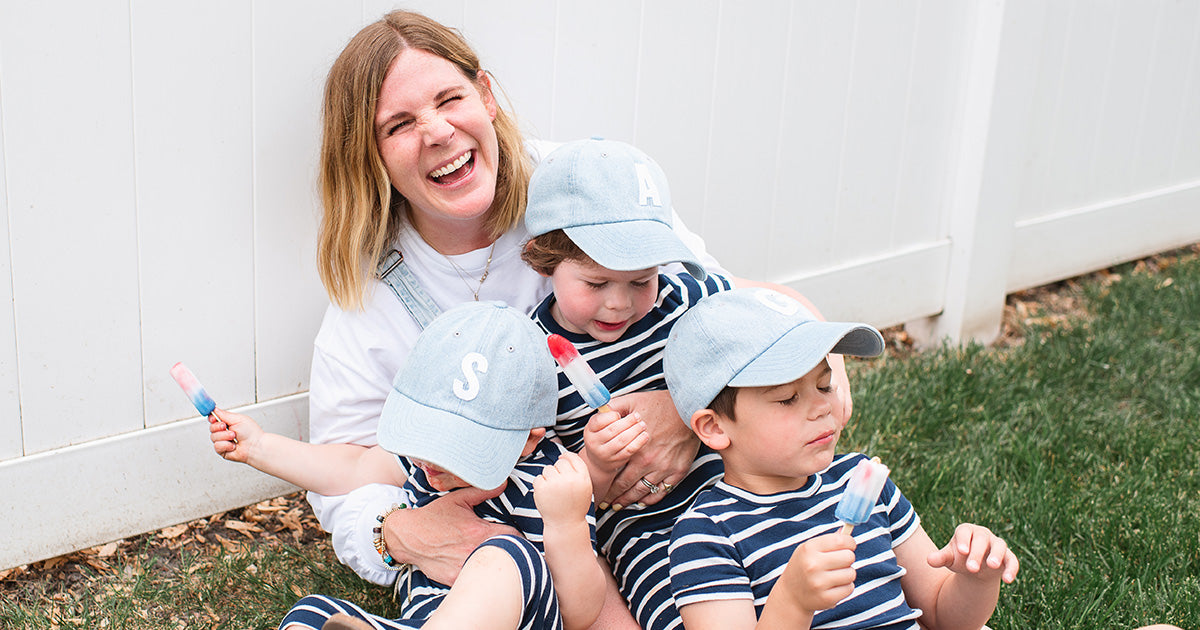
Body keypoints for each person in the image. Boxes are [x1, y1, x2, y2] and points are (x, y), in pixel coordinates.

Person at [300, 8, 850, 628]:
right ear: (370, 155)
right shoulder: (369, 296)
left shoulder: (579, 185)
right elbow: (347, 469)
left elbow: (732, 310)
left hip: (696, 500)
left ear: (486, 96)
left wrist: (682, 408)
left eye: (449, 99)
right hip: (553, 533)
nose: (437, 132)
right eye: (399, 124)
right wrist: (395, 533)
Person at [212, 302, 606, 630]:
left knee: (506, 556)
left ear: (530, 439)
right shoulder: (426, 458)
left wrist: (565, 525)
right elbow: (352, 469)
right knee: (311, 615)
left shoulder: (552, 485)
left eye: (457, 447)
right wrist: (260, 448)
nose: (428, 460)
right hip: (418, 623)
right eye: (427, 433)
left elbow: (580, 614)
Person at [662, 288, 1021, 630]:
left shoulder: (862, 481)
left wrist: (976, 578)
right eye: (787, 398)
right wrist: (792, 602)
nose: (821, 407)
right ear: (713, 427)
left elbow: (946, 617)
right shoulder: (708, 535)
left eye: (824, 385)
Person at [519, 137, 733, 629]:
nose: (619, 303)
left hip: (740, 491)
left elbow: (757, 348)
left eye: (641, 280)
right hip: (648, 534)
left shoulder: (684, 302)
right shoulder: (531, 359)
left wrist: (689, 402)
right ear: (543, 259)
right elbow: (541, 490)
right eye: (595, 284)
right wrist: (592, 463)